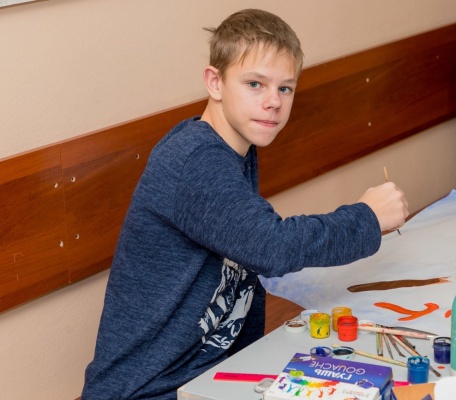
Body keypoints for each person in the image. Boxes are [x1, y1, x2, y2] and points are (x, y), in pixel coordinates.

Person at [82, 9, 409, 399]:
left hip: (210, 375)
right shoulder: (196, 159)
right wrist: (368, 218)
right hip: (151, 390)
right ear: (215, 82)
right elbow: (270, 247)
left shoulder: (235, 147)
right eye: (255, 84)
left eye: (285, 88)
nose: (273, 102)